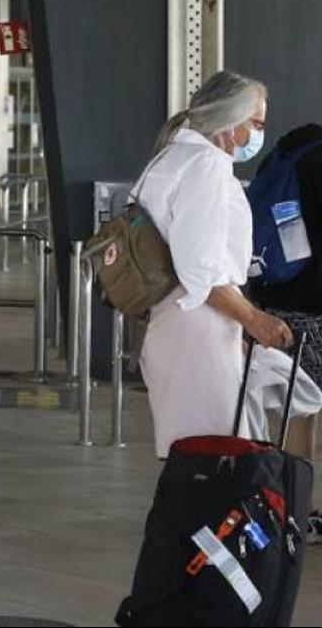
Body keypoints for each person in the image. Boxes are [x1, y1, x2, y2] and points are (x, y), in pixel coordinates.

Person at [136, 70, 293, 460]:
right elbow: (200, 272)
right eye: (255, 124)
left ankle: (195, 521)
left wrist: (232, 327)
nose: (258, 135)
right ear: (230, 120)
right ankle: (204, 522)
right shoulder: (205, 166)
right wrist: (254, 319)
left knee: (192, 451)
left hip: (180, 322)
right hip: (196, 326)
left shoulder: (172, 156)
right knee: (213, 451)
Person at [247, 121, 322, 540]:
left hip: (278, 298)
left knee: (300, 408)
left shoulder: (287, 153)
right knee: (305, 408)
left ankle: (296, 510)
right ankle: (297, 509)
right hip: (317, 305)